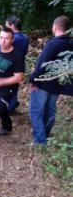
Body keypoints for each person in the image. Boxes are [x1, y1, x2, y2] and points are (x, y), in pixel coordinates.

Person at [29, 16, 73, 145]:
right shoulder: (71, 44)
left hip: (44, 84)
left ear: (54, 27)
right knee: (50, 109)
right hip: (58, 83)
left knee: (36, 110)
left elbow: (42, 64)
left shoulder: (52, 44)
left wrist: (33, 79)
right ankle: (46, 135)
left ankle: (40, 141)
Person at [5, 16, 29, 113]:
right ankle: (13, 104)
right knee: (14, 87)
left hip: (10, 66)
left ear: (12, 26)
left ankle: (9, 108)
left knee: (7, 88)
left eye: (7, 25)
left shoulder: (12, 39)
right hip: (20, 66)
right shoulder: (25, 37)